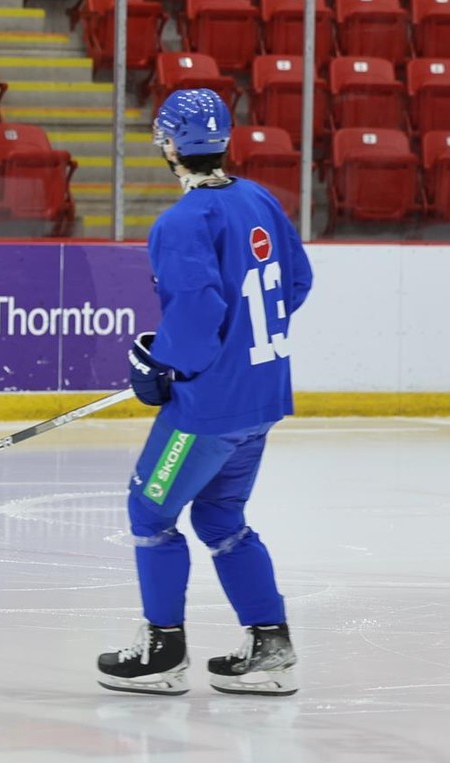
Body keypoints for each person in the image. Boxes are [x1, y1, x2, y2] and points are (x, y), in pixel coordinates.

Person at [96, 88, 313, 697]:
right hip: (263, 396)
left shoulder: (181, 222)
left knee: (150, 511)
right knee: (221, 517)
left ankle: (162, 652)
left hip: (207, 408)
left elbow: (195, 315)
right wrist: (236, 346)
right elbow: (295, 281)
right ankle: (271, 647)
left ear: (168, 145)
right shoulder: (259, 199)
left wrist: (158, 365)